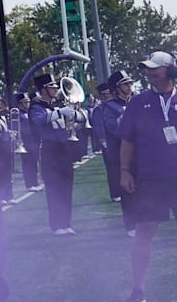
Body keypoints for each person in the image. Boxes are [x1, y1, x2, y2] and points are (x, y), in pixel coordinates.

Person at [118, 51, 177, 302]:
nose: (149, 72)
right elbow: (127, 141)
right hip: (149, 178)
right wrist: (124, 170)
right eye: (147, 69)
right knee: (143, 231)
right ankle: (137, 290)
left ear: (170, 71)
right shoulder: (137, 103)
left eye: (155, 69)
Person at [29, 73, 85, 235]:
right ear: (44, 89)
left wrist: (74, 116)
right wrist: (60, 113)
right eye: (52, 86)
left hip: (64, 147)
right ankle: (56, 225)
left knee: (67, 186)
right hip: (49, 149)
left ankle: (66, 223)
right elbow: (38, 121)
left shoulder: (55, 105)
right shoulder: (36, 106)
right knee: (54, 188)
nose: (55, 89)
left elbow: (73, 123)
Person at [102, 70, 136, 235]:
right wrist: (126, 118)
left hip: (138, 152)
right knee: (127, 190)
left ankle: (142, 221)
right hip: (120, 153)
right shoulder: (110, 106)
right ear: (117, 88)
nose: (129, 86)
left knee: (141, 188)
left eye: (130, 83)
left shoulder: (134, 102)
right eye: (125, 84)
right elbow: (112, 128)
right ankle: (131, 225)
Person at [14, 93, 43, 192]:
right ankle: (29, 184)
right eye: (25, 102)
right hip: (25, 142)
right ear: (19, 104)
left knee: (34, 163)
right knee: (28, 164)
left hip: (33, 141)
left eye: (28, 102)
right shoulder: (19, 115)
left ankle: (35, 182)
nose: (27, 104)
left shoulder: (29, 113)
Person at [89, 83, 112, 155]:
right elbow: (100, 129)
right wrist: (105, 145)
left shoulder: (114, 107)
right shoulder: (99, 110)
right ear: (103, 95)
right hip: (109, 144)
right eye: (109, 93)